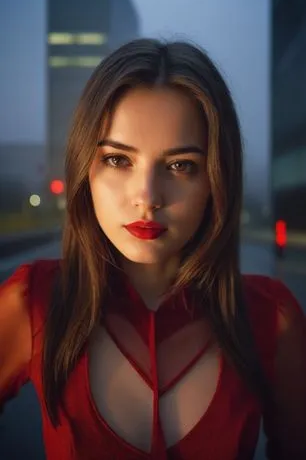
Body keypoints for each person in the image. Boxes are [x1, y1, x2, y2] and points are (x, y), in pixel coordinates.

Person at [0, 39, 305, 460]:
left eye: (180, 166)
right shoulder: (30, 302)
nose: (146, 196)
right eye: (118, 160)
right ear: (84, 166)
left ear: (217, 179)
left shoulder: (273, 321)